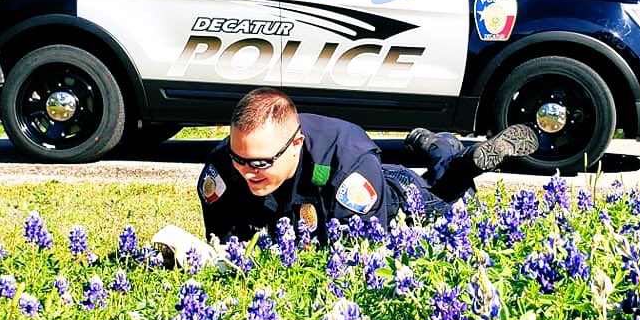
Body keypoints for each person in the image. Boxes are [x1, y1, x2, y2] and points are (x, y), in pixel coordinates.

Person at [197, 87, 539, 246]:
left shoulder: (346, 162)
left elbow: (359, 250)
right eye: (238, 158)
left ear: (295, 145)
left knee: (439, 201)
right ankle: (435, 146)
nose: (246, 171)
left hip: (393, 194)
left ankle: (450, 153)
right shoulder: (221, 168)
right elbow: (224, 244)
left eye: (260, 162)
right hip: (316, 197)